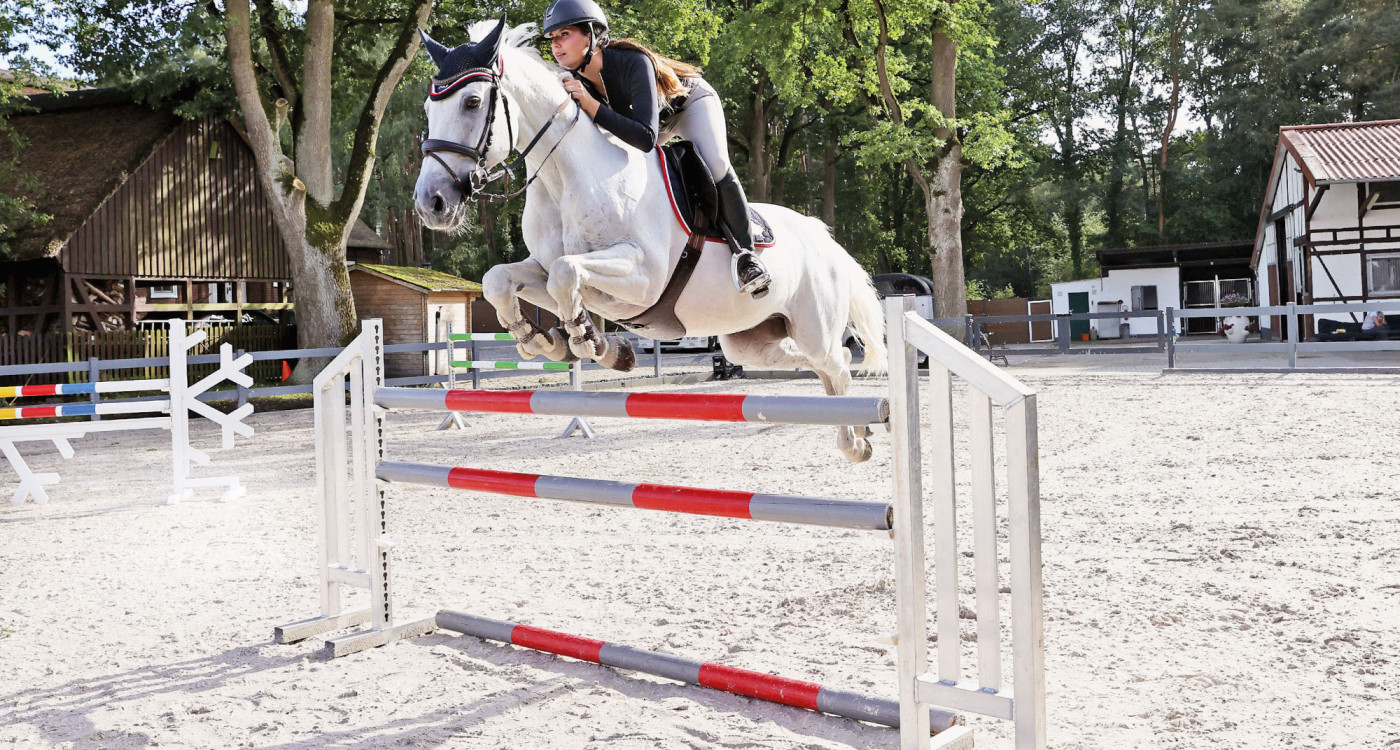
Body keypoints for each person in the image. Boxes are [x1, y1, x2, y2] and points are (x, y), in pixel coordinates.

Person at [542, 0, 771, 297]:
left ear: (592, 34)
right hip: (643, 125)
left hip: (688, 104)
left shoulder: (632, 62)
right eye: (552, 38)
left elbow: (646, 137)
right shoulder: (571, 79)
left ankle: (747, 257)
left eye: (565, 34)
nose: (556, 45)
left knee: (715, 163)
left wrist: (589, 102)